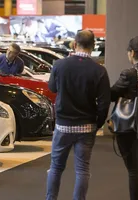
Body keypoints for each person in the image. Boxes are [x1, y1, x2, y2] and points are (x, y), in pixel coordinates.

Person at [46, 30, 111, 200]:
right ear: (94, 46)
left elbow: (52, 88)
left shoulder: (59, 65)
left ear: (74, 44)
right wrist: (98, 123)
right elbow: (104, 102)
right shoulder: (99, 71)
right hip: (87, 126)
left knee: (56, 168)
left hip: (63, 125)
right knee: (82, 170)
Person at [111, 36, 138, 200]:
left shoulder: (129, 74)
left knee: (133, 170)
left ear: (132, 53)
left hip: (129, 126)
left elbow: (112, 94)